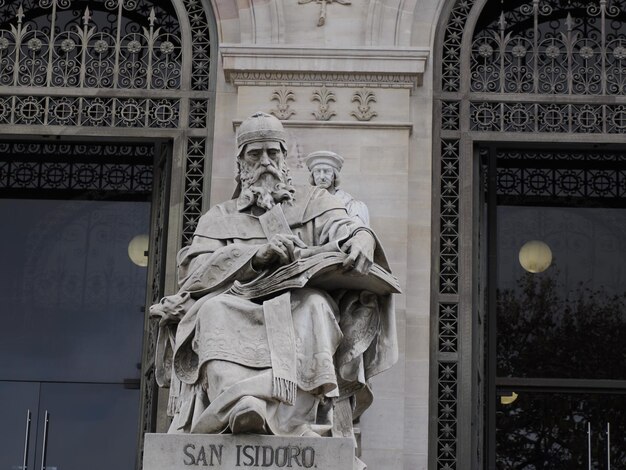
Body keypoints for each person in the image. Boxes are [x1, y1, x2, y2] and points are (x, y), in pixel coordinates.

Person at [150, 112, 397, 442]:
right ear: (241, 165)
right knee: (212, 312)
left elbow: (344, 226)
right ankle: (239, 404)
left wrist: (362, 236)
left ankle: (292, 420)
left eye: (273, 153)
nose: (265, 162)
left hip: (298, 302)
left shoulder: (314, 201)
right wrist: (255, 257)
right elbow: (193, 271)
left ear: (284, 158)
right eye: (255, 154)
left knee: (316, 308)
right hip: (236, 303)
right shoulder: (218, 218)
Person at [305, 150, 370, 226]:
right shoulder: (304, 205)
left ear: (334, 175)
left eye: (326, 171)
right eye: (317, 172)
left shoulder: (352, 206)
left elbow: (359, 233)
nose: (322, 177)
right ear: (312, 176)